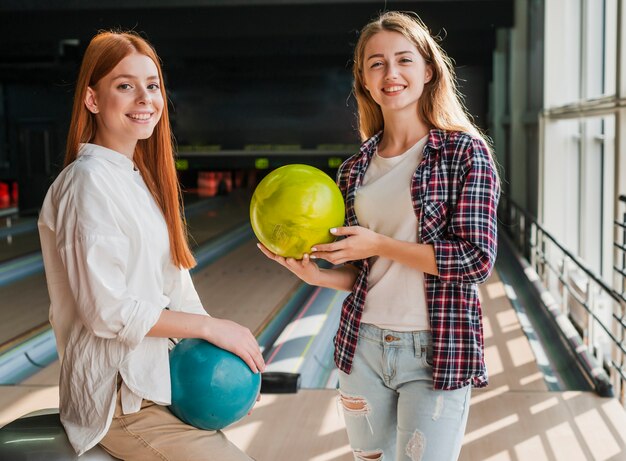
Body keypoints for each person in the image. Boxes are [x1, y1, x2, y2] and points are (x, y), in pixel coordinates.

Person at [258, 11, 500, 461]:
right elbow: (364, 275)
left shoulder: (465, 152)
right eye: (377, 64)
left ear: (428, 71)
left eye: (404, 60)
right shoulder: (354, 170)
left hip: (436, 351)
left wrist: (380, 245)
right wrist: (317, 276)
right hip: (363, 346)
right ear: (364, 81)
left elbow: (476, 260)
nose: (391, 74)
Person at [38, 30, 265, 460]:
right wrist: (209, 328)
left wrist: (231, 366)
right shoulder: (87, 182)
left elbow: (177, 290)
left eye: (152, 85)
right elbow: (107, 312)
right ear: (91, 99)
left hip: (160, 387)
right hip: (122, 405)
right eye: (125, 86)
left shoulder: (137, 179)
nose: (144, 98)